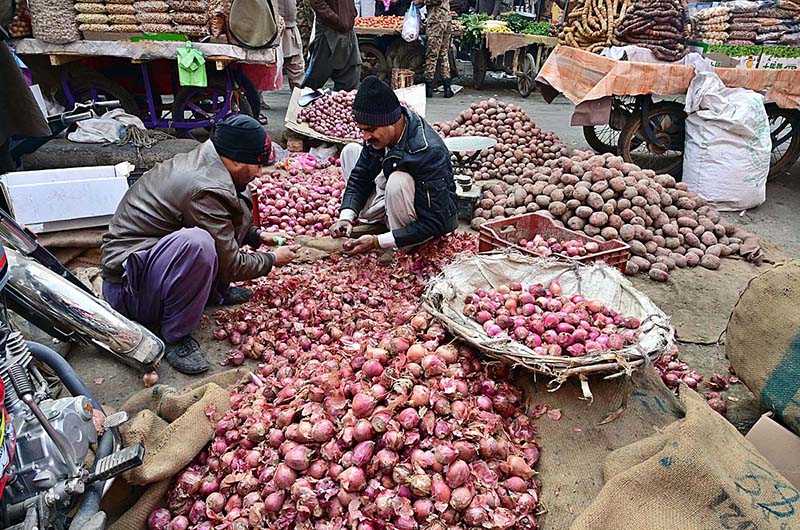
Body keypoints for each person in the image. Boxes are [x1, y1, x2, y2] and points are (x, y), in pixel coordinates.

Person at [101, 115, 297, 374]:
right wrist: (272, 260)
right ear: (236, 159)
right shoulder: (206, 187)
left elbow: (223, 224)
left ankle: (213, 294)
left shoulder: (214, 162)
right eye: (257, 165)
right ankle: (175, 336)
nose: (260, 172)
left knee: (208, 236)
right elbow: (232, 265)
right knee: (198, 244)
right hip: (129, 290)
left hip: (151, 266)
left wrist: (256, 235)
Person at [329, 76, 458, 254]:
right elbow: (360, 177)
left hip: (423, 220)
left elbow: (435, 221)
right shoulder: (380, 135)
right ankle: (383, 226)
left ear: (390, 121)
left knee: (398, 180)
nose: (365, 136)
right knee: (350, 150)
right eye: (362, 130)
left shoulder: (428, 151)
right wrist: (346, 217)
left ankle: (402, 243)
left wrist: (377, 242)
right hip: (391, 203)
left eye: (370, 130)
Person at [302, 0, 362, 91]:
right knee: (316, 76)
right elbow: (317, 2)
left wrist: (352, 13)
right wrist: (335, 19)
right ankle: (303, 100)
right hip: (328, 29)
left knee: (351, 74)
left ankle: (345, 101)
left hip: (347, 30)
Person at [419, 0, 454, 98]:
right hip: (446, 20)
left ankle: (428, 87)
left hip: (437, 21)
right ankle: (447, 87)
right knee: (443, 54)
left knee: (432, 54)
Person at [278, 0, 306, 88]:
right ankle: (255, 100)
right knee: (264, 67)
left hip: (291, 26)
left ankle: (299, 99)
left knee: (297, 68)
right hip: (271, 28)